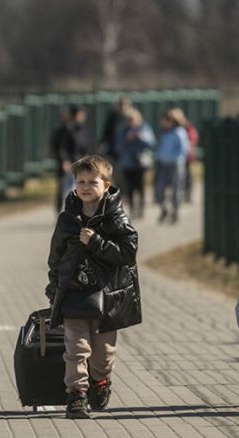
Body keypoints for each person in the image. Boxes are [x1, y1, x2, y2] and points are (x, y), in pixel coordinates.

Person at [44, 155, 141, 419]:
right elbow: (56, 258)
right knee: (76, 348)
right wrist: (54, 292)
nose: (86, 187)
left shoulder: (116, 217)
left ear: (106, 185)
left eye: (92, 182)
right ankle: (76, 396)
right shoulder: (67, 220)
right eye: (80, 182)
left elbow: (129, 252)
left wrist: (97, 242)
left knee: (103, 355)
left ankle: (101, 382)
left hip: (108, 297)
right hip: (74, 294)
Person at [115, 107, 155, 218]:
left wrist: (140, 137)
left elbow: (151, 143)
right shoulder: (122, 130)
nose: (131, 122)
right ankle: (132, 209)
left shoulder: (144, 129)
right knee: (130, 187)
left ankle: (141, 208)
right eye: (128, 119)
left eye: (133, 119)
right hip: (127, 163)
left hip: (140, 162)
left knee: (140, 186)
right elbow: (118, 146)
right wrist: (127, 139)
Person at [51, 105, 91, 212]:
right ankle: (61, 212)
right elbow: (62, 147)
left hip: (81, 162)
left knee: (80, 188)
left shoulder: (83, 130)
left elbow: (85, 147)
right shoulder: (68, 129)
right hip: (69, 164)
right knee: (65, 189)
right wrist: (65, 161)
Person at [154, 109, 190, 224]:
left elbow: (184, 149)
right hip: (163, 164)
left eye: (164, 121)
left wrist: (175, 158)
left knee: (176, 188)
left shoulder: (179, 132)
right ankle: (164, 208)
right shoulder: (164, 133)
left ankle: (175, 211)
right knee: (159, 189)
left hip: (175, 164)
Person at [99, 96, 132, 161]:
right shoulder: (113, 116)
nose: (122, 107)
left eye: (124, 104)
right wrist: (103, 143)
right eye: (120, 104)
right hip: (114, 148)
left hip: (127, 149)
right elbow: (106, 132)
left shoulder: (131, 116)